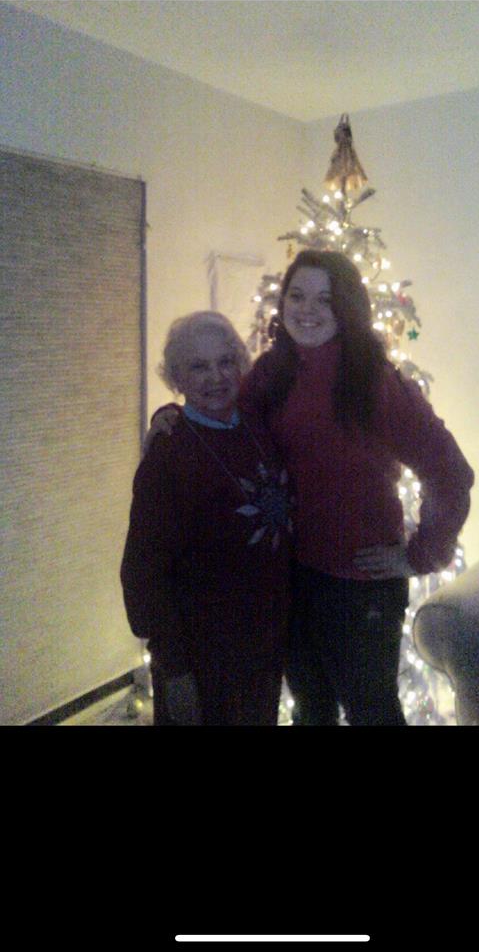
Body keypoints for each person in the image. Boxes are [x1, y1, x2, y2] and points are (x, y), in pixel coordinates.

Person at [148, 250, 475, 727]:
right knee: (311, 708)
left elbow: (451, 472)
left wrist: (422, 554)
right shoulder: (271, 370)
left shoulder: (376, 383)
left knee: (372, 712)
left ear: (347, 306)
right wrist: (174, 415)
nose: (307, 309)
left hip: (359, 588)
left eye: (325, 299)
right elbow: (221, 411)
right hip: (291, 577)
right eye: (297, 296)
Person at [120, 311, 292, 726]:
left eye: (225, 362)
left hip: (263, 647)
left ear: (240, 365)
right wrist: (174, 669)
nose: (215, 377)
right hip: (201, 656)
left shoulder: (258, 426)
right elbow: (143, 571)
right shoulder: (169, 452)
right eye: (198, 366)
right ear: (176, 378)